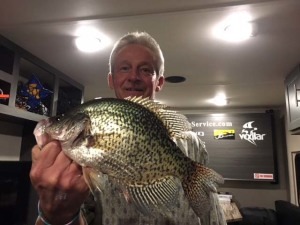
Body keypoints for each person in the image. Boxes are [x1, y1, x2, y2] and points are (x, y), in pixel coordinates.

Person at [30, 31, 226, 225]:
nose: (133, 76)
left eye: (146, 70)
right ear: (111, 79)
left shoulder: (191, 144)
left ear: (159, 82)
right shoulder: (75, 157)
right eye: (124, 68)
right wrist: (56, 214)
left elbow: (211, 214)